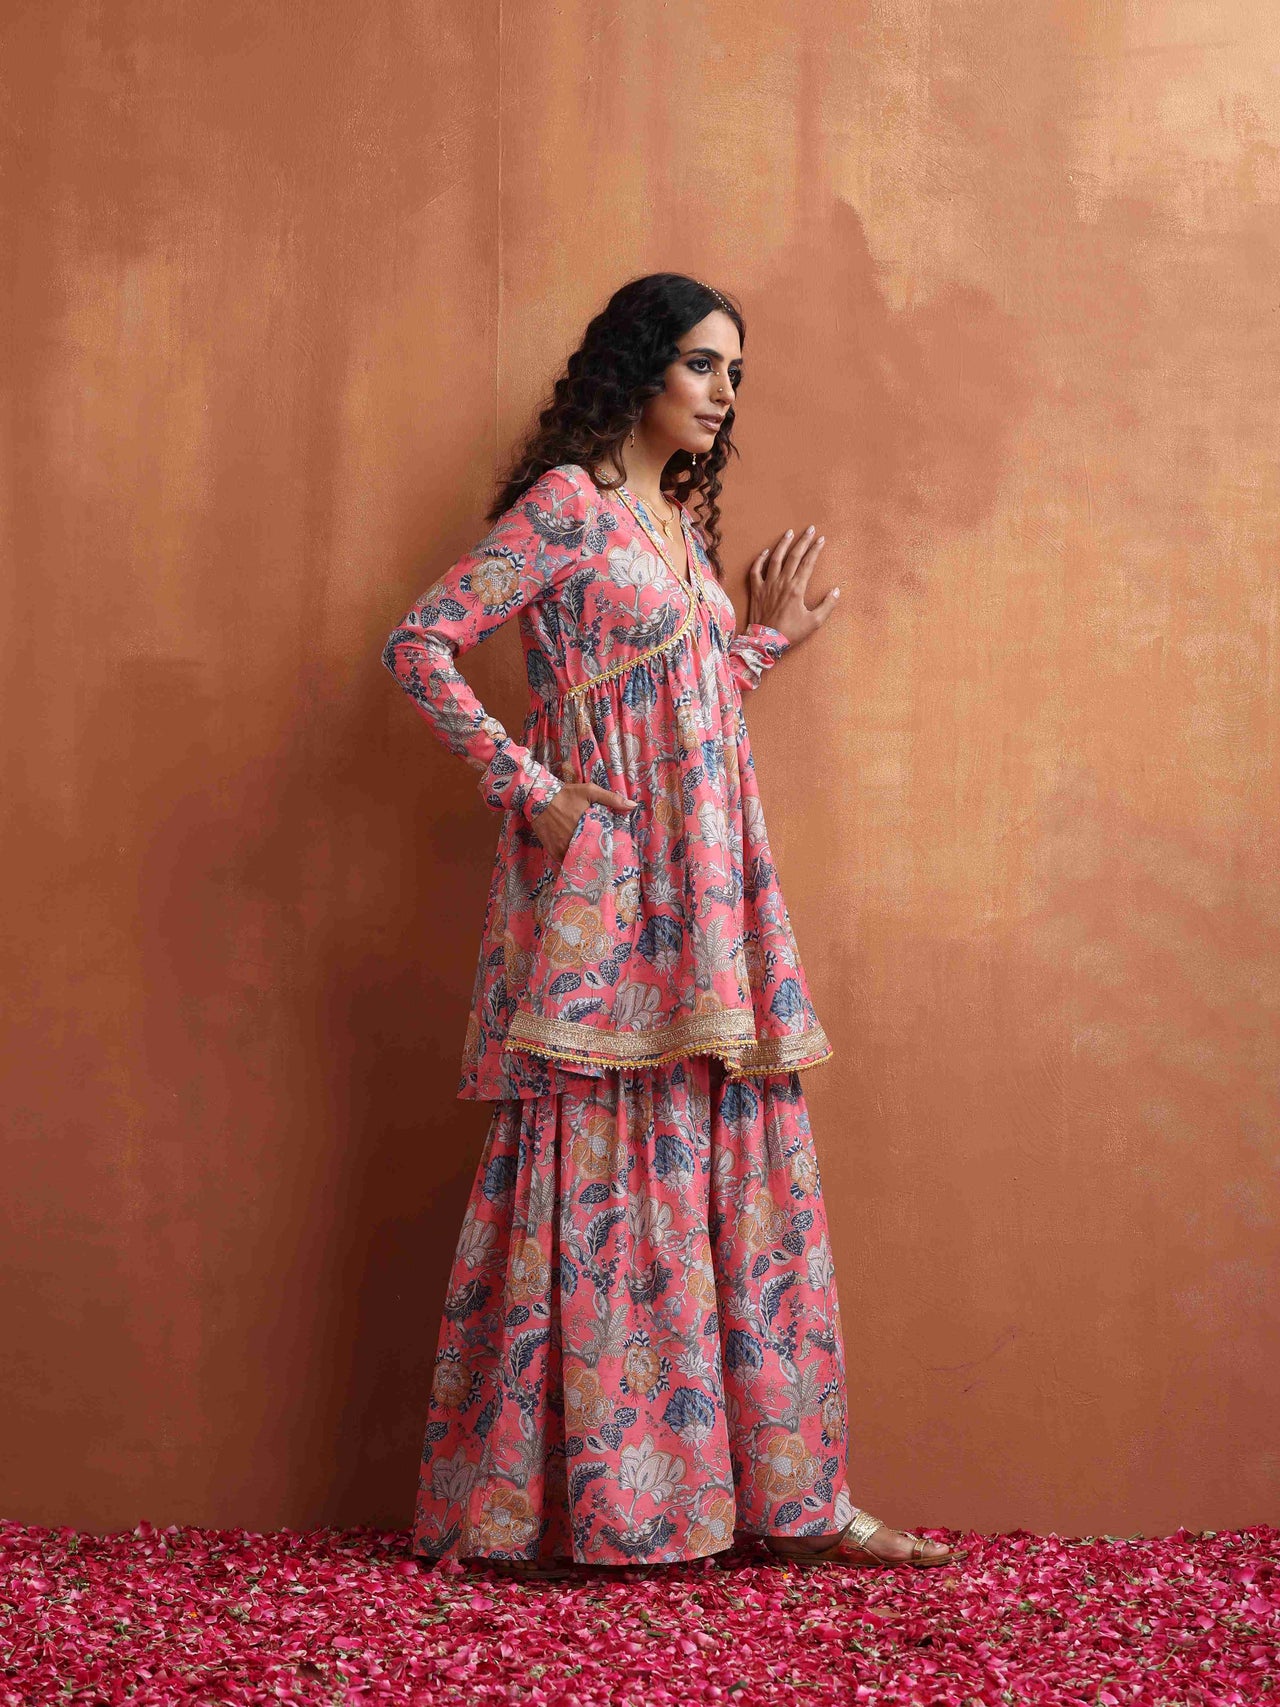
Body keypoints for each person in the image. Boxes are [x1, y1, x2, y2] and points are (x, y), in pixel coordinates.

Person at [382, 273, 957, 1578]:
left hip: (710, 888)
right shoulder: (569, 508)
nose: (723, 392)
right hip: (610, 895)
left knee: (734, 1158)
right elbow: (421, 646)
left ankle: (795, 1499)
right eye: (702, 364)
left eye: (735, 373)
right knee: (607, 1167)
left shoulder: (676, 526)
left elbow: (683, 706)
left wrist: (763, 640)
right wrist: (530, 792)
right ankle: (616, 1509)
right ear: (638, 365)